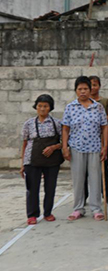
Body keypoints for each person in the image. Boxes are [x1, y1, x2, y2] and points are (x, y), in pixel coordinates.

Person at [62, 76, 108, 221]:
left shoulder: (98, 107)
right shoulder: (70, 107)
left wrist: (105, 146)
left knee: (95, 178)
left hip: (94, 147)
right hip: (76, 147)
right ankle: (78, 208)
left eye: (85, 89)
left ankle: (96, 209)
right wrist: (65, 146)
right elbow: (65, 128)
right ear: (76, 91)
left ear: (91, 90)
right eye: (80, 89)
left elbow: (104, 127)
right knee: (78, 179)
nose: (83, 92)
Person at [20, 94, 62, 225]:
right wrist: (22, 163)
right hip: (32, 159)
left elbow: (64, 141)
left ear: (50, 108)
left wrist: (54, 147)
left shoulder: (57, 123)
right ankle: (32, 214)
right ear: (36, 107)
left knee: (50, 187)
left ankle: (48, 212)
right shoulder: (29, 124)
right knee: (32, 188)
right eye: (40, 106)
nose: (42, 109)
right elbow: (25, 144)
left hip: (52, 161)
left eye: (45, 106)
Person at [87, 76, 108, 204]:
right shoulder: (81, 102)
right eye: (90, 85)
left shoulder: (104, 102)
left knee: (104, 167)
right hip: (86, 140)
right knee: (85, 169)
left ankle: (106, 193)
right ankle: (84, 195)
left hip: (101, 139)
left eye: (95, 85)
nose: (93, 88)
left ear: (100, 86)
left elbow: (106, 120)